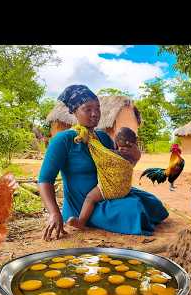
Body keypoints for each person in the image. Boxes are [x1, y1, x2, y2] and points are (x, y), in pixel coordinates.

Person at [38, 85, 169, 240]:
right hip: (83, 205)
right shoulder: (64, 140)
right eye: (87, 109)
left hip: (108, 193)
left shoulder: (103, 138)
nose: (95, 114)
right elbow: (45, 180)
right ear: (74, 112)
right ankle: (83, 221)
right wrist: (54, 213)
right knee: (135, 209)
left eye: (98, 108)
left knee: (153, 203)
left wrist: (135, 157)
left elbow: (119, 169)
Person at [66, 127, 139, 230]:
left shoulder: (112, 154)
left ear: (117, 142)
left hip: (111, 188)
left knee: (90, 198)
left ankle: (81, 221)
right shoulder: (134, 156)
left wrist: (91, 142)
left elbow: (101, 152)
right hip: (125, 189)